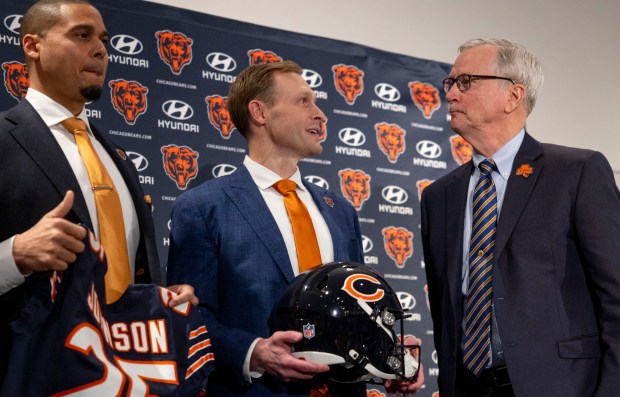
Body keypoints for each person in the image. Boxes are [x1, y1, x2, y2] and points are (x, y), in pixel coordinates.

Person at [167, 60, 423, 396]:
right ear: (260, 112)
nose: (321, 114)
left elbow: (356, 308)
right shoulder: (202, 207)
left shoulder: (341, 211)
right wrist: (252, 352)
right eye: (304, 101)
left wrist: (385, 347)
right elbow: (189, 317)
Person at [0, 0, 195, 385]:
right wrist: (15, 255)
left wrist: (160, 298)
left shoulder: (116, 156)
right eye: (81, 35)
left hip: (131, 377)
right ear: (32, 47)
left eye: (104, 39)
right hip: (30, 376)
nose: (102, 49)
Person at [420, 37, 620, 397]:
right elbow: (445, 314)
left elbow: (616, 299)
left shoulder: (577, 172)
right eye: (449, 83)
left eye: (465, 82)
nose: (449, 94)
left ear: (513, 95)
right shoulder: (438, 197)